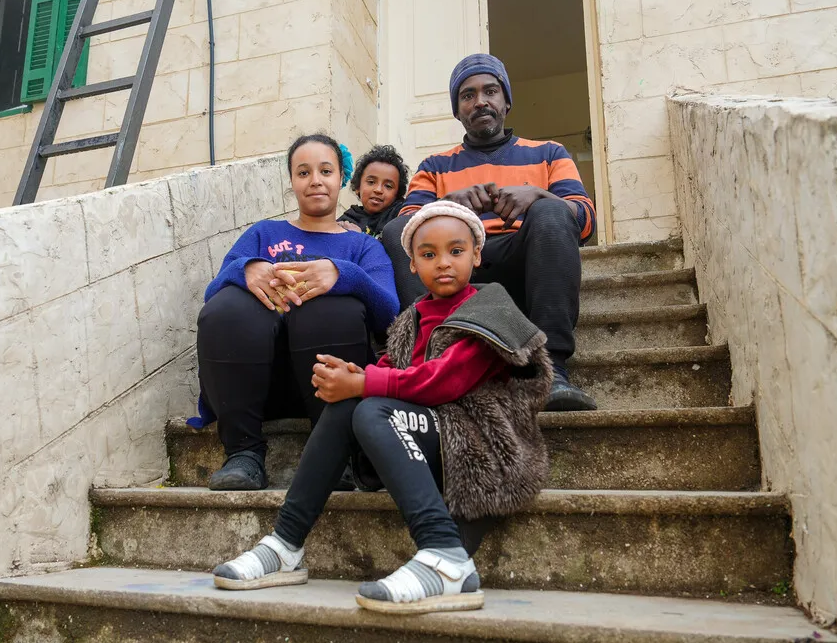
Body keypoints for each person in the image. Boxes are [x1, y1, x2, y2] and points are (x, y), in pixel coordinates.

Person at [211, 201, 550, 615]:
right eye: (429, 254)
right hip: (430, 432)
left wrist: (365, 383)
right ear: (412, 266)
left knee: (371, 408)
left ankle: (447, 557)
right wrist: (356, 375)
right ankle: (285, 543)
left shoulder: (490, 309)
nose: (443, 263)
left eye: (456, 251)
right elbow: (391, 369)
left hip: (480, 442)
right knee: (347, 404)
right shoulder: (414, 317)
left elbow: (444, 380)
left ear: (477, 255)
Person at [381, 53, 598, 412]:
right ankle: (432, 357)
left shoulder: (549, 153)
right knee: (401, 228)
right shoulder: (435, 167)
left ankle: (551, 371)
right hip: (459, 271)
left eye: (490, 91)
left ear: (506, 101)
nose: (479, 101)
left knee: (552, 210)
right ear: (458, 110)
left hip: (525, 266)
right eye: (467, 95)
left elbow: (585, 221)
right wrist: (446, 207)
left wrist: (537, 196)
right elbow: (402, 227)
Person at [195, 133, 400, 491]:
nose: (315, 180)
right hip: (254, 382)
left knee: (330, 307)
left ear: (340, 179)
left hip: (329, 384)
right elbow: (212, 295)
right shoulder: (264, 233)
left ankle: (334, 454)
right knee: (227, 306)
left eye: (325, 170)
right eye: (303, 172)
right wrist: (244, 270)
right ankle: (243, 453)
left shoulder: (362, 246)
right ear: (292, 181)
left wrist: (343, 274)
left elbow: (389, 314)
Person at [337, 144, 410, 238]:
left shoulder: (401, 218)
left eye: (388, 186)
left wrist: (359, 238)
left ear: (397, 195)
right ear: (358, 187)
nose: (378, 190)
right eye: (371, 182)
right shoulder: (346, 222)